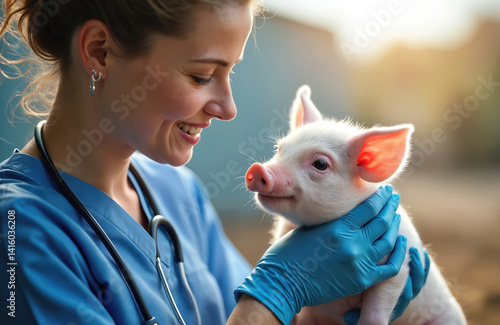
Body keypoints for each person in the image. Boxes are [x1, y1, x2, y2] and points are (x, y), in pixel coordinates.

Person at [0, 0, 429, 324]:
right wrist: (280, 288)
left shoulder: (178, 191)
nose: (227, 108)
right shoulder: (18, 233)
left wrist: (333, 308)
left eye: (231, 73)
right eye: (202, 76)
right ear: (99, 52)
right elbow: (262, 305)